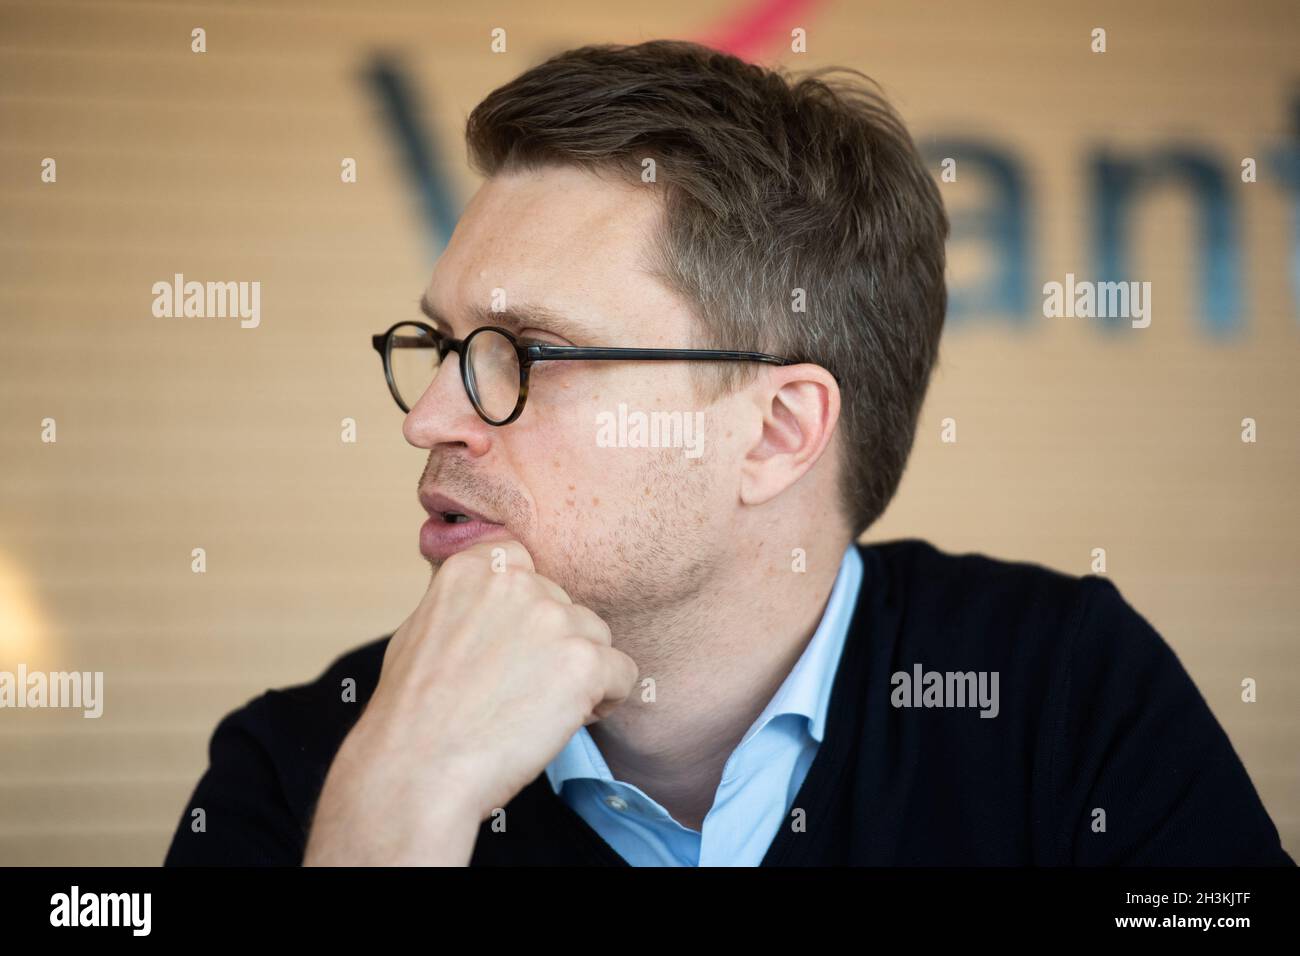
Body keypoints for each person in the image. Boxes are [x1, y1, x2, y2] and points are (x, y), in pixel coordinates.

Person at [164, 40, 1293, 867]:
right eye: (446, 345)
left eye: (528, 351)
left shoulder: (1062, 694)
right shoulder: (306, 765)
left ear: (775, 432)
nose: (428, 419)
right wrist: (396, 815)